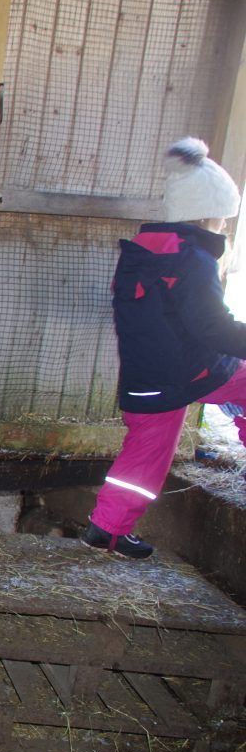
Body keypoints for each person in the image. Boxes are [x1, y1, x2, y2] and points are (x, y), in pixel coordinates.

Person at [84, 137, 245, 558]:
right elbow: (211, 327)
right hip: (188, 371)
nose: (225, 226)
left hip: (145, 375)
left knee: (145, 455)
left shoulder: (142, 252)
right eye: (223, 218)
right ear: (206, 215)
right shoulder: (192, 259)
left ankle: (107, 530)